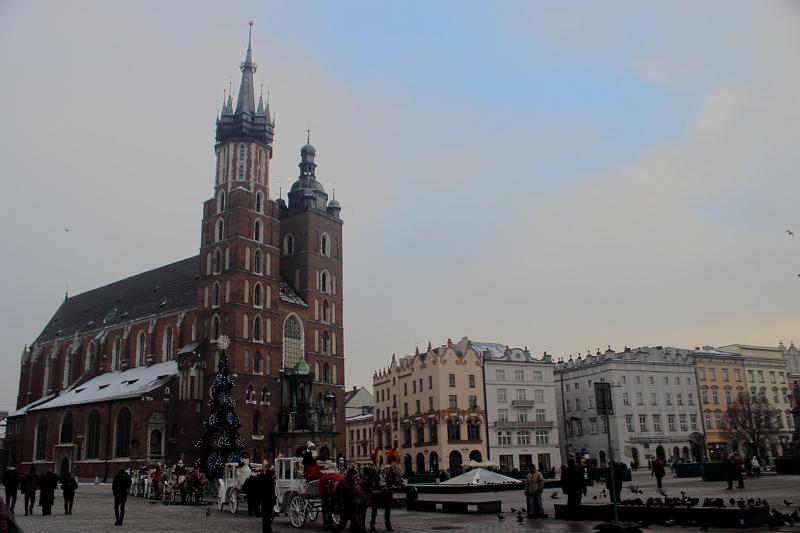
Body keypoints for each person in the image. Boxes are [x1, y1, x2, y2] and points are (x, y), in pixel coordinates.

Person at [333, 468, 363, 533]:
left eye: (356, 474)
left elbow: (356, 494)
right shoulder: (342, 483)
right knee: (343, 524)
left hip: (353, 507)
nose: (356, 476)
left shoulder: (354, 483)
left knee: (357, 525)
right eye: (355, 474)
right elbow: (339, 496)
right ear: (350, 475)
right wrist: (341, 506)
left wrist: (357, 502)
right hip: (346, 507)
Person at [258, 461, 276, 533]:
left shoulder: (264, 475)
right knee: (267, 516)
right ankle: (266, 530)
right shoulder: (266, 475)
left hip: (267, 498)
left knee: (268, 516)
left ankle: (267, 529)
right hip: (267, 498)